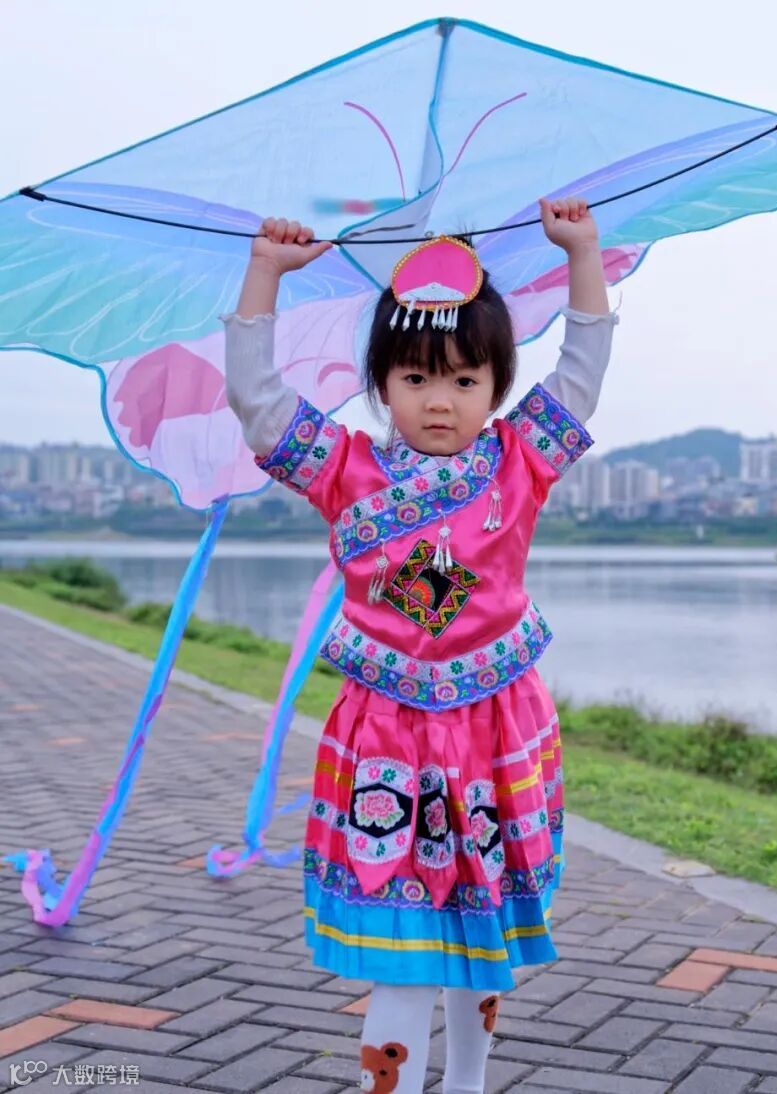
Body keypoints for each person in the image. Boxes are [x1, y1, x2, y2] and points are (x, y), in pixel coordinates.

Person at [221, 197, 616, 1094]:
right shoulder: (344, 471)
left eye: (466, 380)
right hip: (389, 739)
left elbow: (584, 371)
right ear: (382, 383)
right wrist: (264, 275)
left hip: (495, 730)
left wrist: (582, 254)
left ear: (498, 385)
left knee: (480, 937)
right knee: (400, 955)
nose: (441, 400)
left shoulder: (521, 460)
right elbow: (258, 402)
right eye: (416, 378)